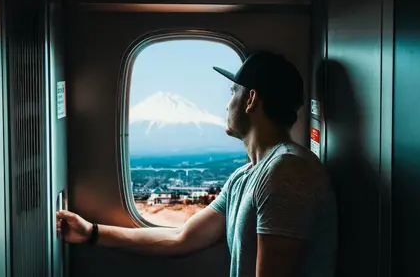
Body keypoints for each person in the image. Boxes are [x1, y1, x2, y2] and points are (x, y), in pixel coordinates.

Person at [56, 51, 338, 277]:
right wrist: (91, 232)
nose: (227, 105)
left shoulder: (287, 172)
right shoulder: (246, 176)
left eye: (232, 93)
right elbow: (182, 237)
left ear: (251, 99)